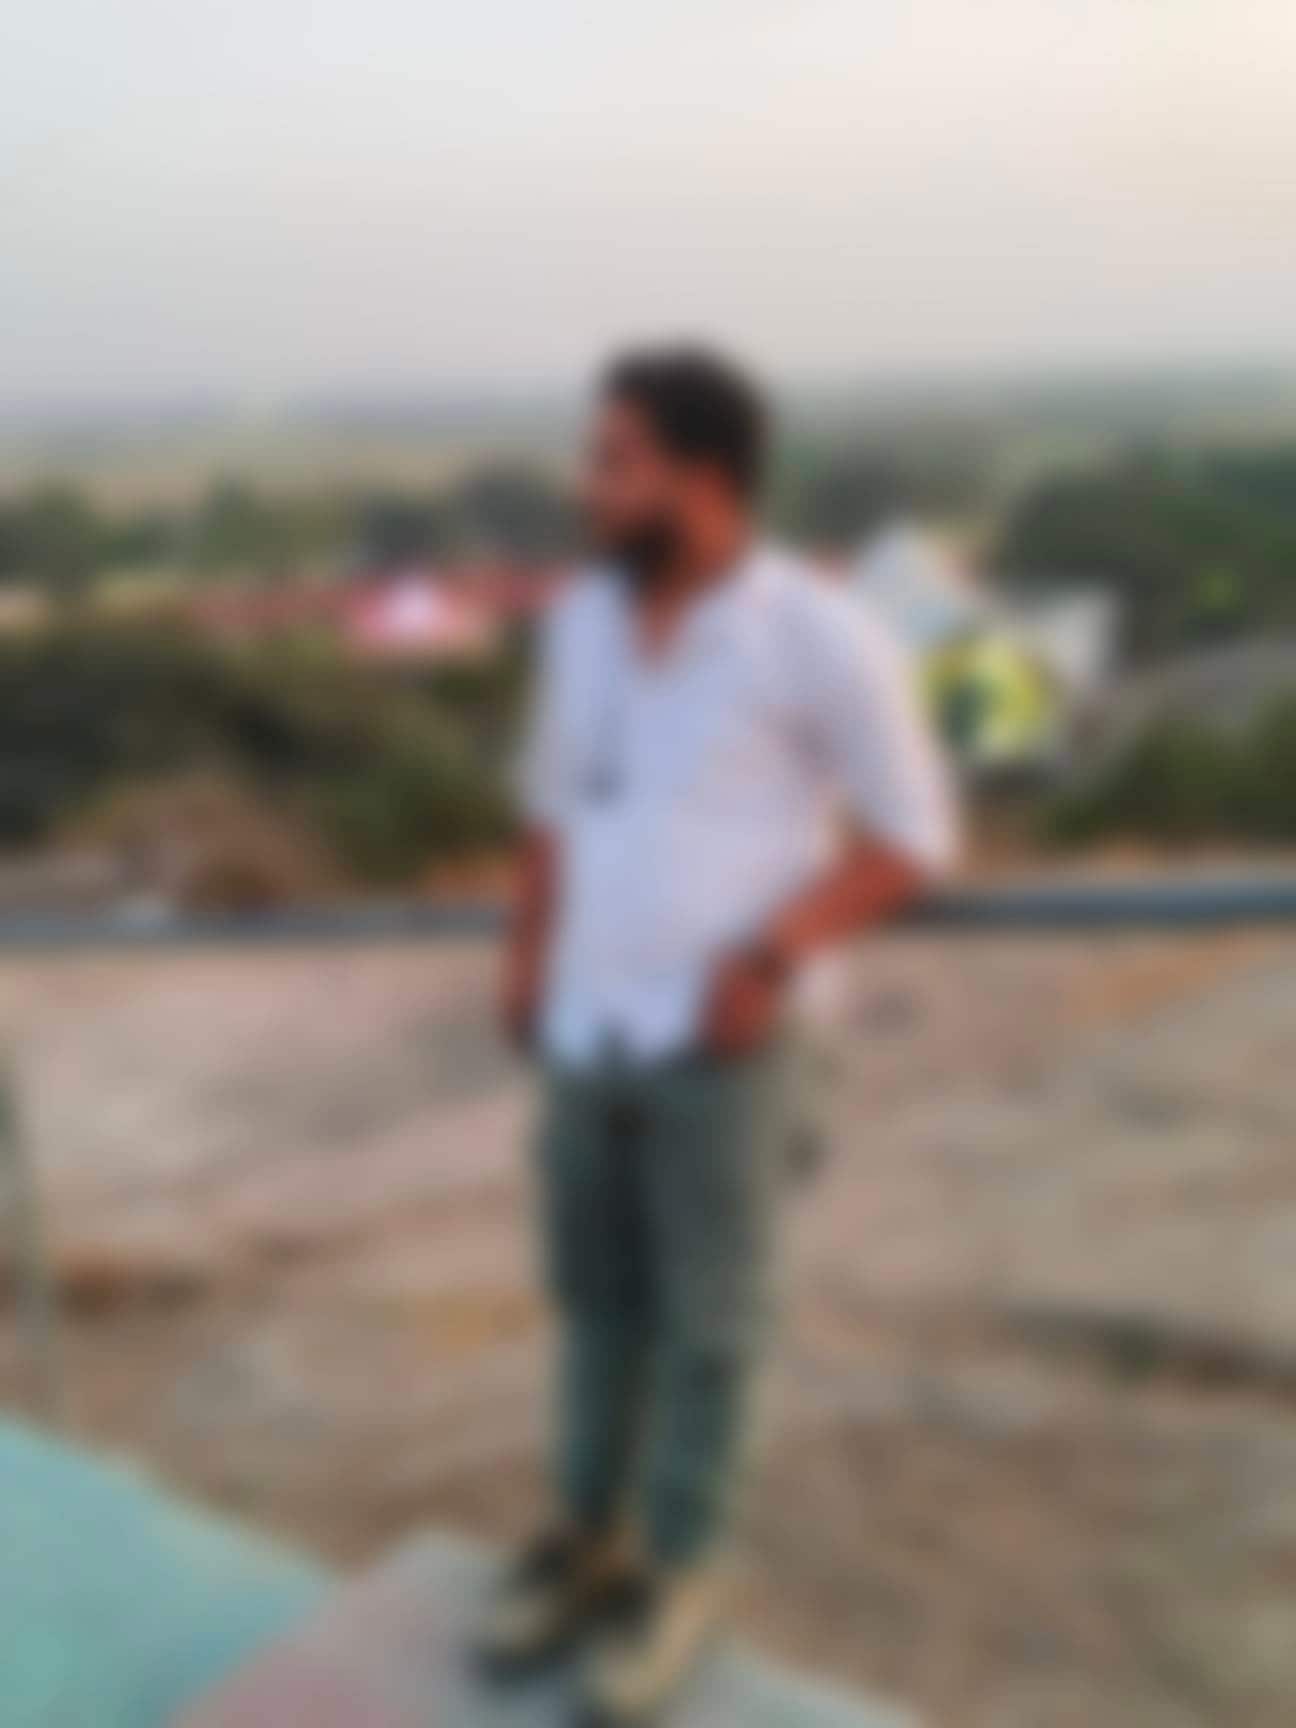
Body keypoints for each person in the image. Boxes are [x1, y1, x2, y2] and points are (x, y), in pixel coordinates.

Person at [478, 346, 957, 1726]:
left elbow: (914, 840)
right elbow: (552, 809)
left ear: (702, 477)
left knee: (710, 1328)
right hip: (588, 1026)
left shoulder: (816, 631)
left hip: (729, 1045)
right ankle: (585, 1537)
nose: (587, 486)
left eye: (613, 461)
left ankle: (676, 1571)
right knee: (596, 1306)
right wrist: (526, 955)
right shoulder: (580, 622)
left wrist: (770, 956)